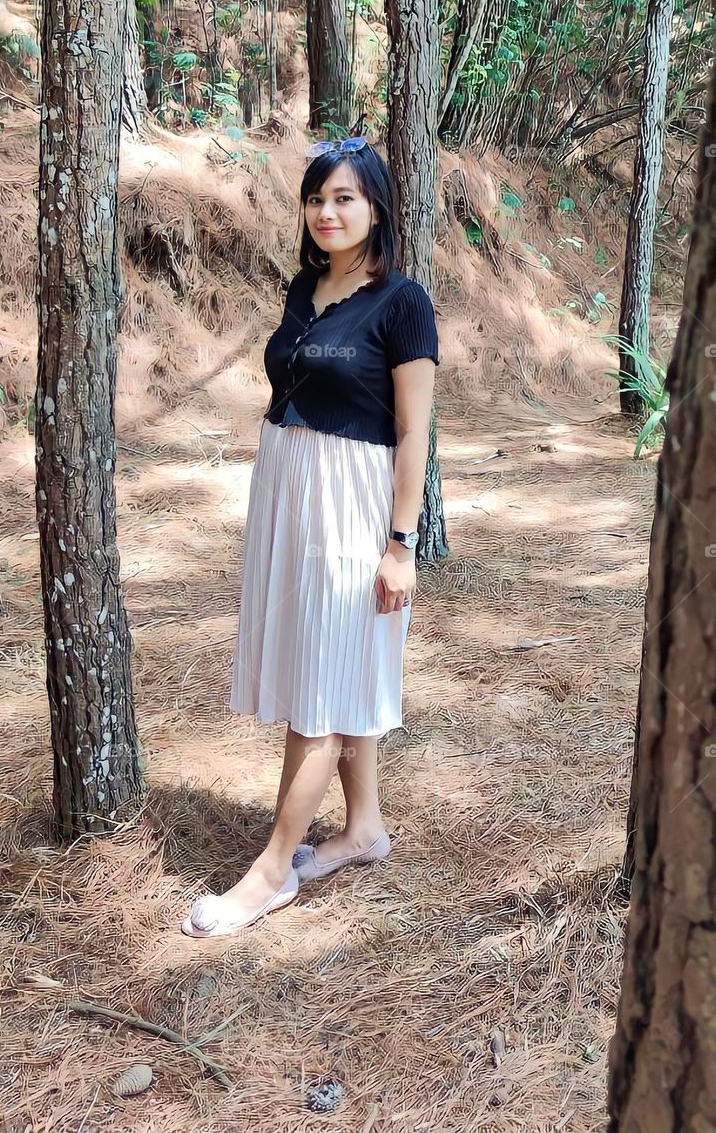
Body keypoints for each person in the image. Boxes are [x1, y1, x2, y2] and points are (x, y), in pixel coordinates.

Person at [181, 136, 440, 938]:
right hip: (289, 495)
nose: (327, 212)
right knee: (333, 664)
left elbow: (412, 435)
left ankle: (269, 874)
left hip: (351, 503)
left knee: (321, 688)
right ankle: (362, 828)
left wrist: (399, 543)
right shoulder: (304, 287)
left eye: (344, 198)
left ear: (376, 208)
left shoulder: (401, 302)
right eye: (316, 198)